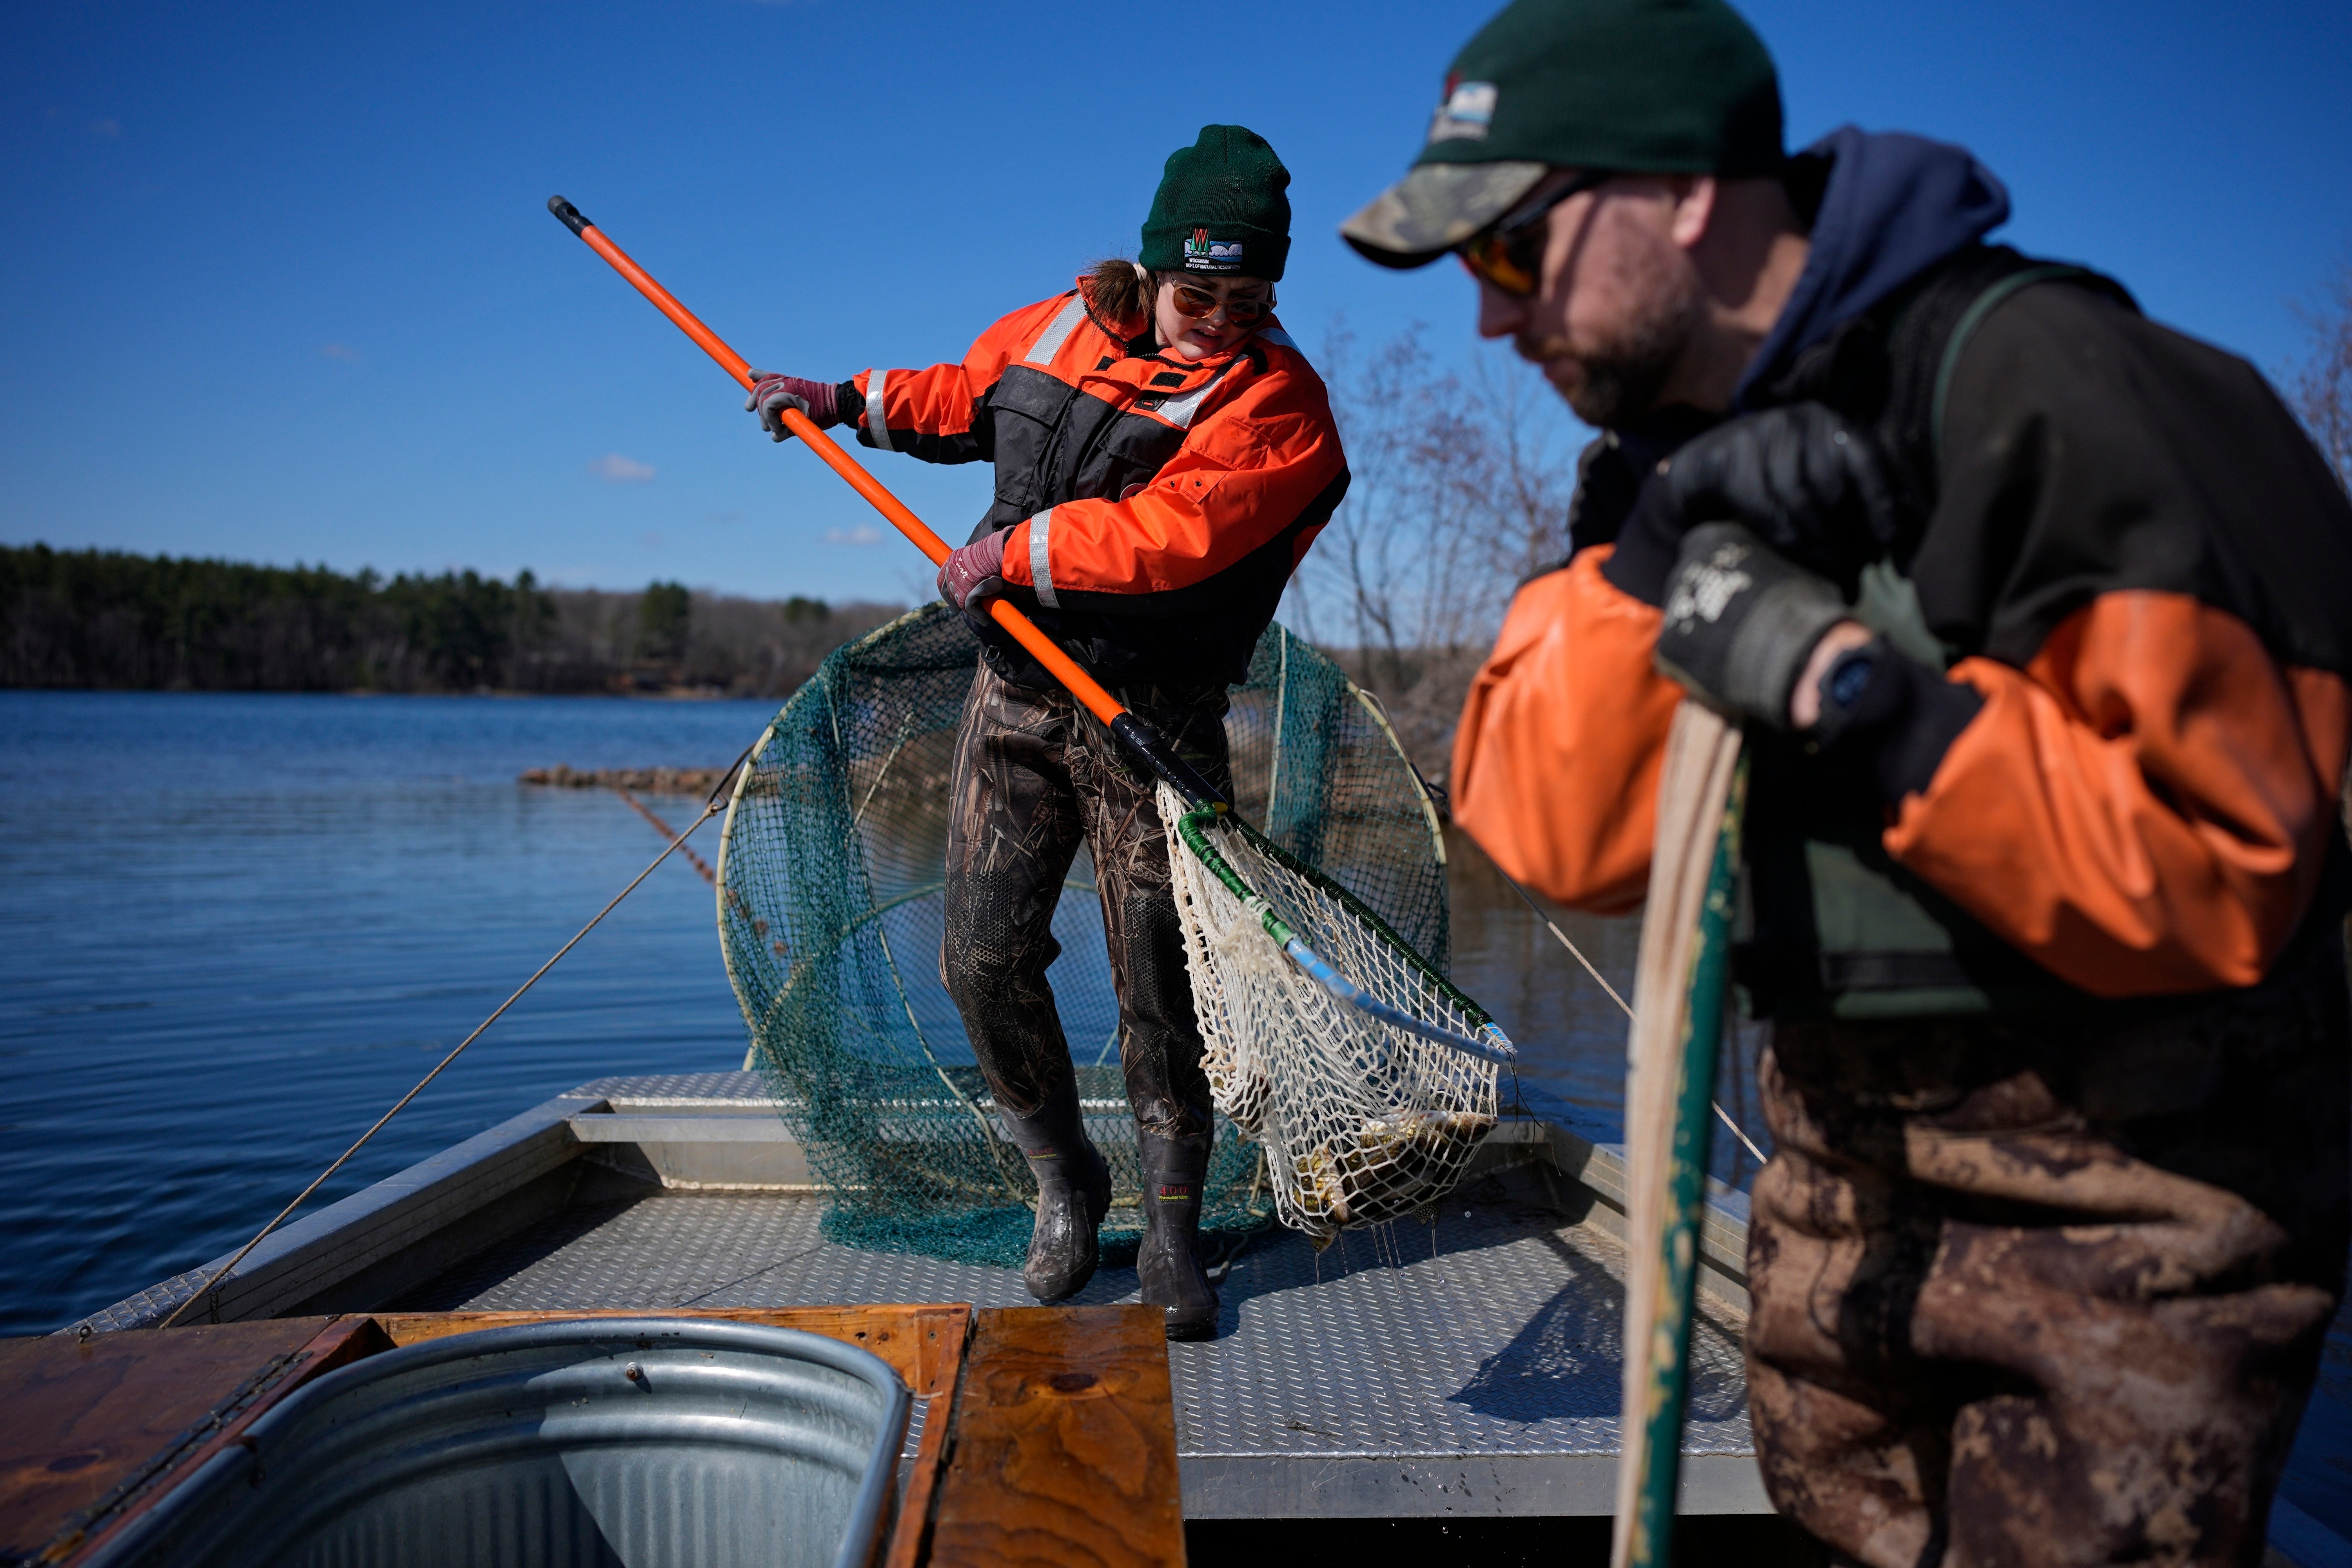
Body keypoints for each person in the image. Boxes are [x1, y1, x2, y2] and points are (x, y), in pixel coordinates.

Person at [1343, 0, 2352, 1561]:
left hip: (2121, 1228)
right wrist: (1668, 546)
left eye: (1510, 252)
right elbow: (1549, 824)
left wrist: (1855, 700)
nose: (1494, 320)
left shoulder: (2059, 382)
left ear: (1682, 194)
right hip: (1832, 1209)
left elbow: (2227, 868)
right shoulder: (1661, 460)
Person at [744, 125, 1347, 1341]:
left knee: (1158, 989)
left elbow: (1177, 534)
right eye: (1199, 292)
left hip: (1151, 726)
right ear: (1155, 266)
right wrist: (848, 400)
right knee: (979, 957)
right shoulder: (1059, 324)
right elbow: (967, 399)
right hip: (1016, 699)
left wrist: (1012, 554)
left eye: (1250, 298)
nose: (1221, 317)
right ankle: (1063, 1175)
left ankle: (1175, 1230)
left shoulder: (1281, 409)